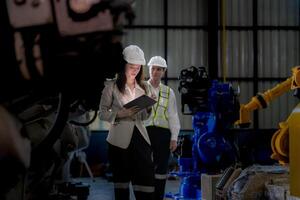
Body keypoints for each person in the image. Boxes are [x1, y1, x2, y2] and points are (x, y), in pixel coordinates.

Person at [99, 45, 154, 200]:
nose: (135, 70)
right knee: (121, 183)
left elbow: (143, 118)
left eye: (138, 67)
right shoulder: (111, 86)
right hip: (119, 140)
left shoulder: (145, 87)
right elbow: (102, 113)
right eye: (132, 67)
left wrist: (148, 108)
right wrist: (120, 114)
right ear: (123, 65)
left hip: (140, 137)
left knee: (145, 178)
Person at [144, 56, 181, 200]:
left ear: (163, 71)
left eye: (159, 69)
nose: (155, 71)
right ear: (149, 69)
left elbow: (173, 116)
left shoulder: (168, 92)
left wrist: (174, 138)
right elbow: (132, 112)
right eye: (153, 68)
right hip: (144, 132)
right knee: (145, 167)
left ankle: (158, 197)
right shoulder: (140, 88)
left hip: (163, 134)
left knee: (161, 168)